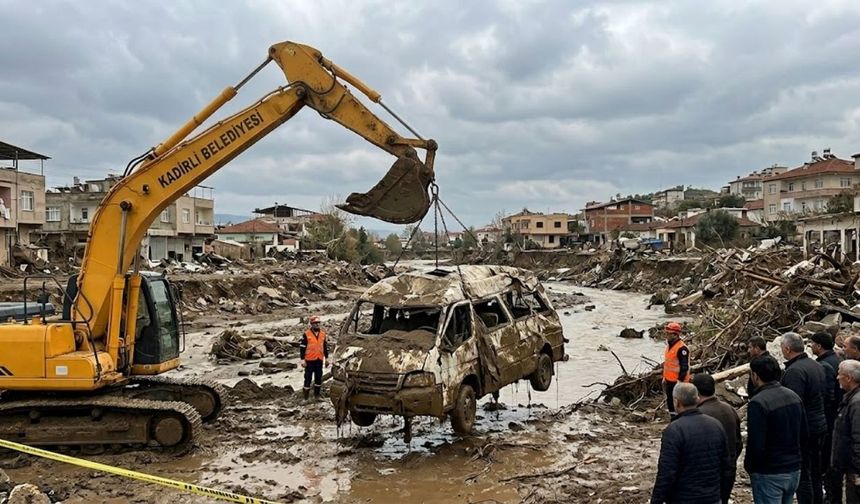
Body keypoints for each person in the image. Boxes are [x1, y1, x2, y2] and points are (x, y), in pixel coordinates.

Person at [651, 382, 732, 504]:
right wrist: (722, 496)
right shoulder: (716, 425)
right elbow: (726, 466)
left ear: (677, 402)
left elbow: (667, 472)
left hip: (683, 498)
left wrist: (656, 500)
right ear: (697, 399)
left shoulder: (675, 430)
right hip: (712, 497)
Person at [745, 354, 807, 504]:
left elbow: (756, 443)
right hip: (793, 469)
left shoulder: (758, 403)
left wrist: (751, 467)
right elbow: (804, 433)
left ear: (755, 376)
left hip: (770, 472)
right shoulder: (793, 396)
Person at [781, 332, 827, 504]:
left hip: (806, 428)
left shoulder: (795, 371)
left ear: (787, 348)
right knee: (815, 470)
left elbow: (793, 404)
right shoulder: (815, 365)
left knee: (804, 474)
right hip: (819, 423)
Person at [693, 373, 743, 504]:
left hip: (708, 476)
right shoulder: (730, 410)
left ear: (696, 392)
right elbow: (738, 443)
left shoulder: (699, 415)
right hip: (728, 471)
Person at [811, 331, 844, 504]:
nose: (810, 346)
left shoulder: (825, 365)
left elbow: (828, 396)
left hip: (829, 419)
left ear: (818, 345)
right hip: (836, 416)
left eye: (812, 344)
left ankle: (828, 494)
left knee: (824, 459)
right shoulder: (837, 360)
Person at [832, 360, 860, 503]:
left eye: (839, 374)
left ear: (849, 378)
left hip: (855, 471)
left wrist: (856, 471)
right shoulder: (851, 398)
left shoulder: (856, 403)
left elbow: (858, 438)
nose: (837, 378)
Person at [662, 321, 690, 417]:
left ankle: (682, 418)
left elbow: (684, 367)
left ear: (675, 335)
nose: (666, 335)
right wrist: (664, 378)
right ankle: (672, 416)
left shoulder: (682, 348)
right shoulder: (669, 346)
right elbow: (668, 364)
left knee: (680, 402)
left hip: (678, 381)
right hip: (669, 379)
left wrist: (680, 381)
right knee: (670, 399)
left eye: (668, 333)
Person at [300, 315, 330, 400]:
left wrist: (327, 358)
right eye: (315, 323)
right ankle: (306, 398)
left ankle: (317, 396)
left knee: (318, 378)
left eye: (318, 323)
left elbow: (324, 347)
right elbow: (302, 347)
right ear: (311, 324)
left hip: (319, 359)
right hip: (309, 360)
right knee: (308, 378)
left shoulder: (323, 334)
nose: (317, 325)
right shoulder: (306, 334)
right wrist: (302, 360)